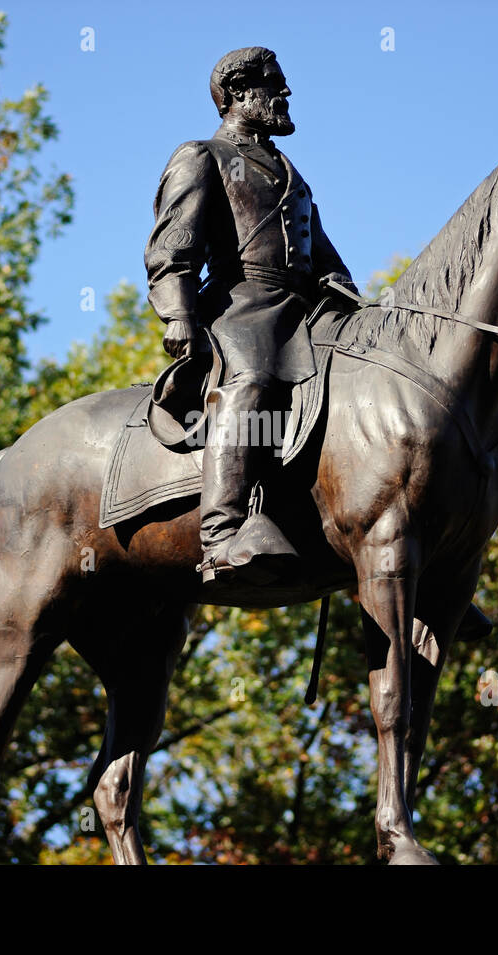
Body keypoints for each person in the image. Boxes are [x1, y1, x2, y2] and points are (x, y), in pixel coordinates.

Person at [145, 46, 355, 584]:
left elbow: (322, 253)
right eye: (276, 85)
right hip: (242, 308)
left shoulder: (290, 172)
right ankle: (223, 533)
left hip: (306, 309)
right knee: (253, 381)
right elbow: (174, 248)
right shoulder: (202, 156)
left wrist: (353, 298)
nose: (286, 95)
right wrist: (178, 315)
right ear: (240, 92)